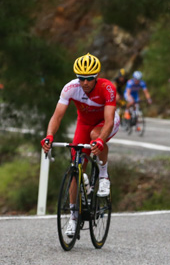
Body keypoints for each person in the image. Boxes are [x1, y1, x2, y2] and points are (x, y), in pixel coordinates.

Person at [41, 53, 121, 236]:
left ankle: (103, 176)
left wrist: (100, 140)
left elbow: (108, 121)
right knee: (76, 165)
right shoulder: (70, 88)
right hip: (83, 123)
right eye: (81, 78)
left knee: (95, 136)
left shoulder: (107, 88)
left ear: (96, 77)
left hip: (105, 122)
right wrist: (49, 136)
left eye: (89, 79)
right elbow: (57, 116)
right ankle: (74, 217)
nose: (85, 83)